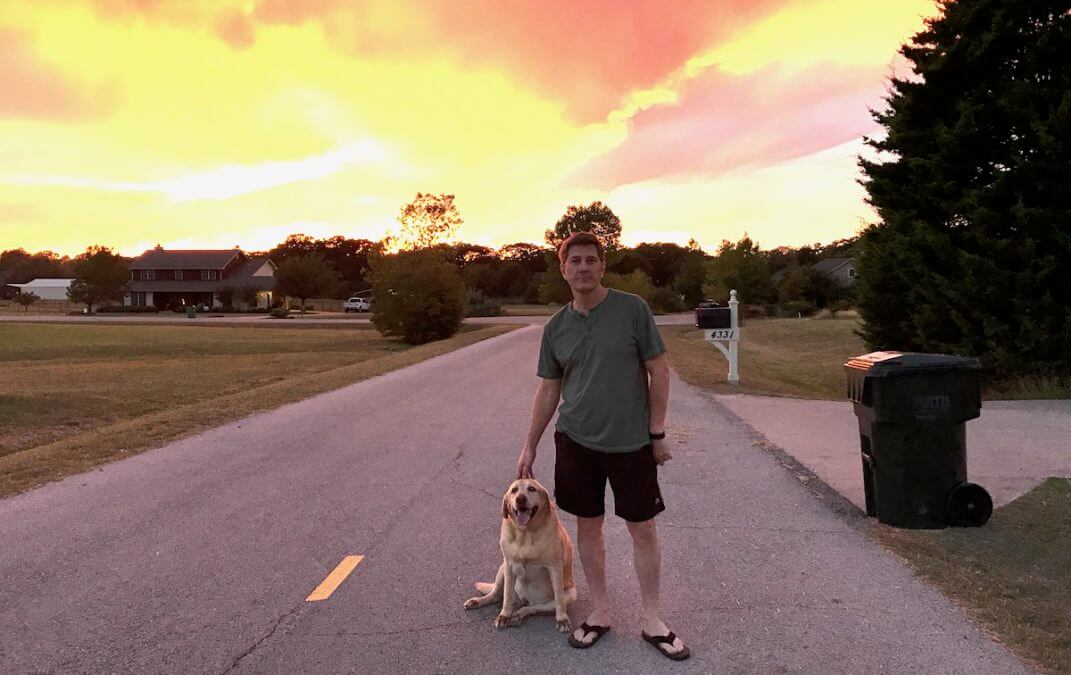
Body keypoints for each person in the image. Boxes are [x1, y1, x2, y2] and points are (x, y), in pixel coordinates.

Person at [516, 231, 690, 661]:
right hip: (576, 442)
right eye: (574, 261)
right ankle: (601, 612)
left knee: (643, 528)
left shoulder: (633, 309)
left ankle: (653, 620)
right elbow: (549, 388)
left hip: (631, 443)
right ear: (563, 269)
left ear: (602, 266)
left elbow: (659, 370)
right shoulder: (556, 327)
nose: (583, 267)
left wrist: (657, 432)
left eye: (591, 260)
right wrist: (530, 445)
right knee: (587, 528)